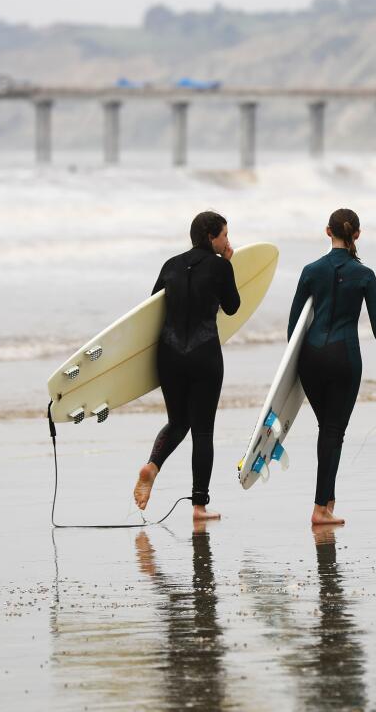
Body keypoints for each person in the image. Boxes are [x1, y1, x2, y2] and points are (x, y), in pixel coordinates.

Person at [287, 208, 376, 526]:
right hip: (344, 359)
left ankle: (328, 499)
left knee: (328, 430)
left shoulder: (310, 270)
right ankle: (321, 507)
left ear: (327, 232)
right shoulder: (364, 275)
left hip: (310, 358)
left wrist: (293, 371)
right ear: (358, 235)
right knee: (333, 431)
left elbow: (294, 325)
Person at [133, 211, 239, 521]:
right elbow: (232, 307)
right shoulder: (220, 266)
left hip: (169, 355)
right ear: (210, 237)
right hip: (204, 353)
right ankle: (199, 506)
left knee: (178, 420)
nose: (227, 241)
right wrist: (229, 265)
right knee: (203, 433)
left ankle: (152, 465)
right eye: (224, 235)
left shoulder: (171, 265)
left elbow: (151, 310)